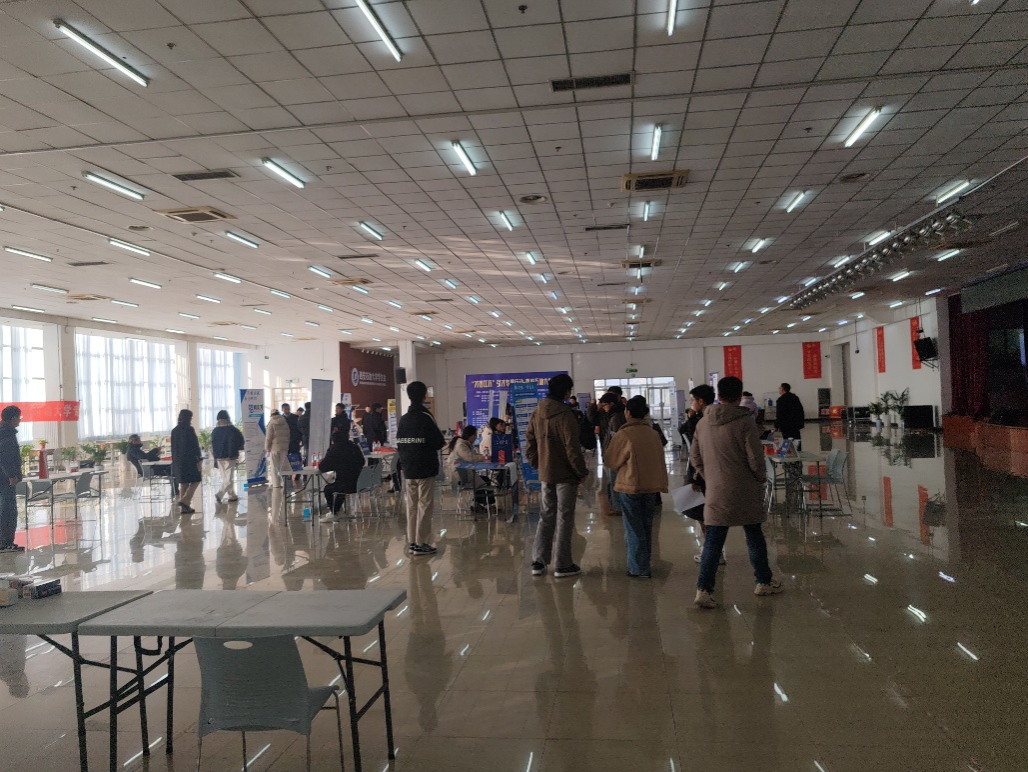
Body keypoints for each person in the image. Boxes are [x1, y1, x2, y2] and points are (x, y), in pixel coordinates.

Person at [690, 376, 784, 608]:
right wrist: (760, 478)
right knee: (754, 535)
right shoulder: (745, 422)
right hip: (745, 488)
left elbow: (695, 456)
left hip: (716, 490)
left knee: (713, 540)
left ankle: (704, 590)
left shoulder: (703, 423)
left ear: (718, 395)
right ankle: (763, 582)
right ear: (739, 395)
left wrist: (709, 477)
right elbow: (755, 458)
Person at [526, 373, 588, 578]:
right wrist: (581, 471)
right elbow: (572, 448)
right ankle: (563, 564)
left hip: (546, 473)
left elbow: (529, 442)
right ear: (566, 392)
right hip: (566, 474)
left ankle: (538, 561)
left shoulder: (537, 412)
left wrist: (538, 463)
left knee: (546, 514)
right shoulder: (566, 414)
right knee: (564, 517)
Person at [605, 396, 669, 578]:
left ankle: (638, 568)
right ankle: (644, 563)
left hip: (630, 485)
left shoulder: (624, 434)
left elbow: (611, 461)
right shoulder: (653, 434)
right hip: (651, 486)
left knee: (633, 527)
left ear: (628, 412)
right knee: (646, 525)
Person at [397, 381, 446, 555]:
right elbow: (439, 442)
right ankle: (422, 542)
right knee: (424, 505)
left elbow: (400, 442)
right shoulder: (426, 417)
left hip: (408, 468)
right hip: (425, 467)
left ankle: (411, 542)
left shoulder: (404, 419)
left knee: (411, 506)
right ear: (424, 396)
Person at [681, 385, 723, 566]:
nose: (691, 404)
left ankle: (713, 553)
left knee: (704, 514)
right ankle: (713, 551)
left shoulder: (704, 421)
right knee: (706, 514)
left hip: (702, 474)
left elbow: (696, 449)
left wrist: (695, 477)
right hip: (711, 472)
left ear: (701, 401)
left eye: (693, 400)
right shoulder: (706, 418)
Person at [319, 430, 367, 522]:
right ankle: (337, 511)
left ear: (333, 440)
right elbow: (362, 462)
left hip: (346, 484)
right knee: (340, 487)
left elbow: (323, 467)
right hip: (360, 482)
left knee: (328, 489)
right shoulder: (354, 447)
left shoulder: (334, 449)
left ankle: (334, 513)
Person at [448, 425, 492, 511]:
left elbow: (473, 456)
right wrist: (485, 458)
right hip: (460, 475)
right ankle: (478, 505)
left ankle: (483, 504)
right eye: (475, 435)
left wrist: (482, 456)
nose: (475, 438)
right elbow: (471, 458)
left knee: (485, 479)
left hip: (463, 472)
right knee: (482, 483)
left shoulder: (464, 444)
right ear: (471, 436)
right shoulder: (461, 445)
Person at [0, 405, 24, 553]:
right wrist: (11, 475)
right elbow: (5, 457)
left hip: (4, 477)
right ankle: (5, 543)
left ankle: (5, 542)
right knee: (8, 510)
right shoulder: (6, 433)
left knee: (5, 509)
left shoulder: (4, 431)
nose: (20, 420)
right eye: (19, 417)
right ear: (13, 418)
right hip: (5, 479)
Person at [170, 408, 203, 515]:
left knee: (183, 484)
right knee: (196, 480)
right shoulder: (189, 429)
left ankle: (184, 509)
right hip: (189, 460)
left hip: (178, 461)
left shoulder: (174, 430)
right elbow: (194, 446)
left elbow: (173, 448)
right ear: (188, 418)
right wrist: (199, 458)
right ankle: (185, 501)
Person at [211, 410, 244, 503]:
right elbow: (241, 442)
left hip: (219, 457)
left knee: (225, 478)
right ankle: (220, 494)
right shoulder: (233, 430)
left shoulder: (215, 431)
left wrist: (215, 456)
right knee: (228, 479)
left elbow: (213, 444)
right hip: (230, 456)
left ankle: (232, 495)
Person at [265, 408, 290, 489]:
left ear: (271, 415)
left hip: (274, 447)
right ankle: (284, 483)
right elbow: (288, 435)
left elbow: (268, 437)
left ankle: (276, 484)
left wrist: (267, 447)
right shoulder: (285, 422)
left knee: (274, 466)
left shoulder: (271, 423)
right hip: (284, 447)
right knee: (283, 466)